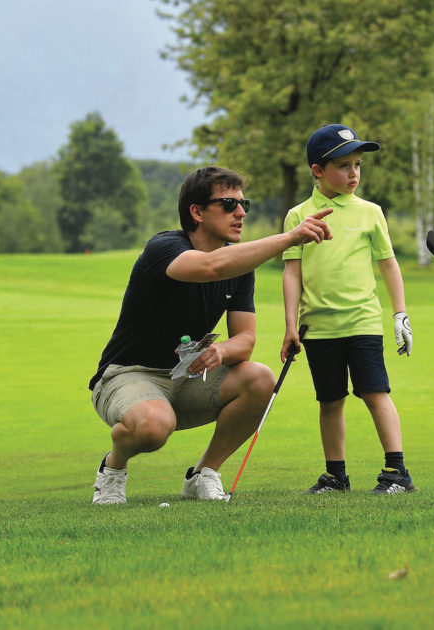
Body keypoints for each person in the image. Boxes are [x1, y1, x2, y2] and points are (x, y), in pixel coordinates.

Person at [89, 166, 332, 505]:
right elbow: (209, 268)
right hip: (129, 374)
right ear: (197, 212)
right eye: (229, 204)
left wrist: (221, 352)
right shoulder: (164, 247)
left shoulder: (240, 267)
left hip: (188, 378)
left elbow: (245, 341)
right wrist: (290, 237)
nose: (241, 212)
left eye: (244, 203)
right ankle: (113, 468)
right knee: (154, 427)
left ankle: (204, 473)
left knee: (260, 378)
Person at [280, 124, 415, 494]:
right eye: (343, 165)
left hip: (363, 322)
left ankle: (397, 472)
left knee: (375, 393)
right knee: (330, 401)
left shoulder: (371, 212)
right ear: (317, 171)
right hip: (319, 327)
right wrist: (290, 325)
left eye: (357, 165)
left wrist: (399, 313)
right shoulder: (298, 216)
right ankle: (336, 475)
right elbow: (292, 273)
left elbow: (388, 264)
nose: (353, 173)